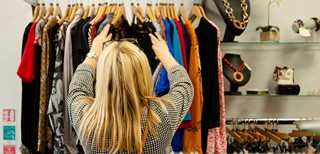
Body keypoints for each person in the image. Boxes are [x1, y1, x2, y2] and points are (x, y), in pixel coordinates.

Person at [67, 24, 194, 153]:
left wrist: (94, 52)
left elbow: (78, 86)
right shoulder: (162, 116)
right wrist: (165, 55)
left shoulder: (85, 118)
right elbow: (184, 85)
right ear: (144, 74)